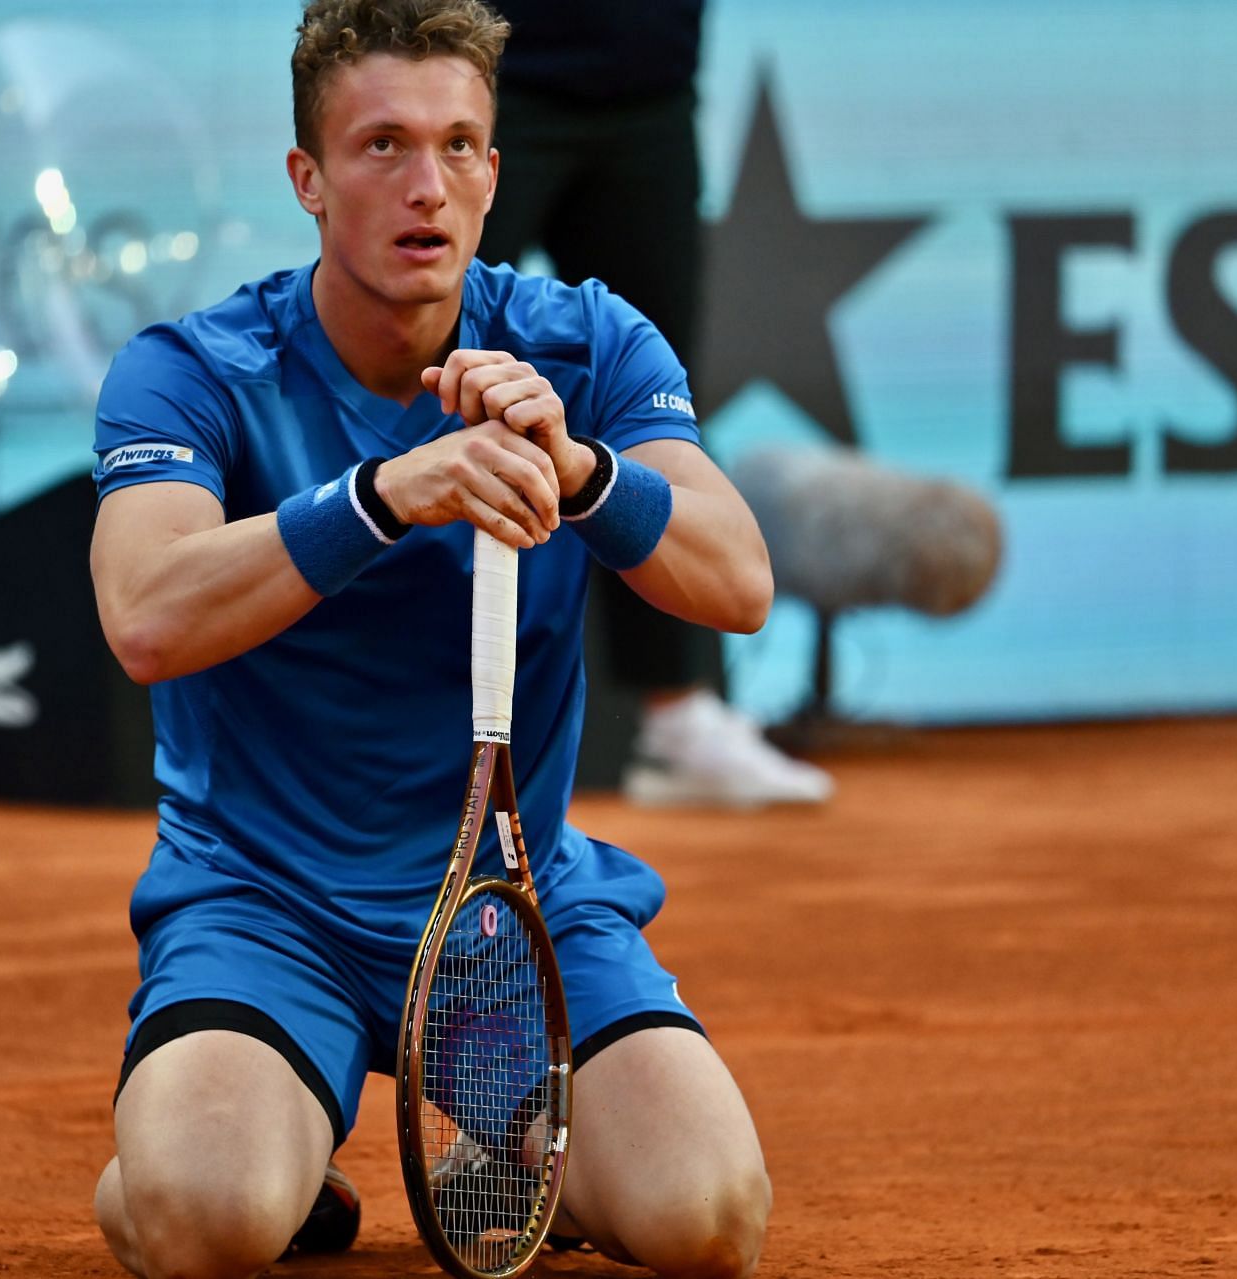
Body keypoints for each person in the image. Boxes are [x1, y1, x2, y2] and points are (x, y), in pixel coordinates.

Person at [86, 2, 771, 1277]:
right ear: (307, 177)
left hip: (514, 916)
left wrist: (581, 470)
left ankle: (517, 1157)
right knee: (207, 1220)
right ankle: (250, 1164)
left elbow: (735, 584)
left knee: (708, 1216)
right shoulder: (193, 370)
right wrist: (385, 496)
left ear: (496, 171)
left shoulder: (586, 346)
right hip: (266, 910)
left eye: (460, 147)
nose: (427, 186)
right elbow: (145, 615)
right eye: (382, 146)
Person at [477, 0, 833, 809]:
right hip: (488, 76)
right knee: (440, 383)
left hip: (650, 85)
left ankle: (677, 719)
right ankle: (404, 713)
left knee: (652, 395)